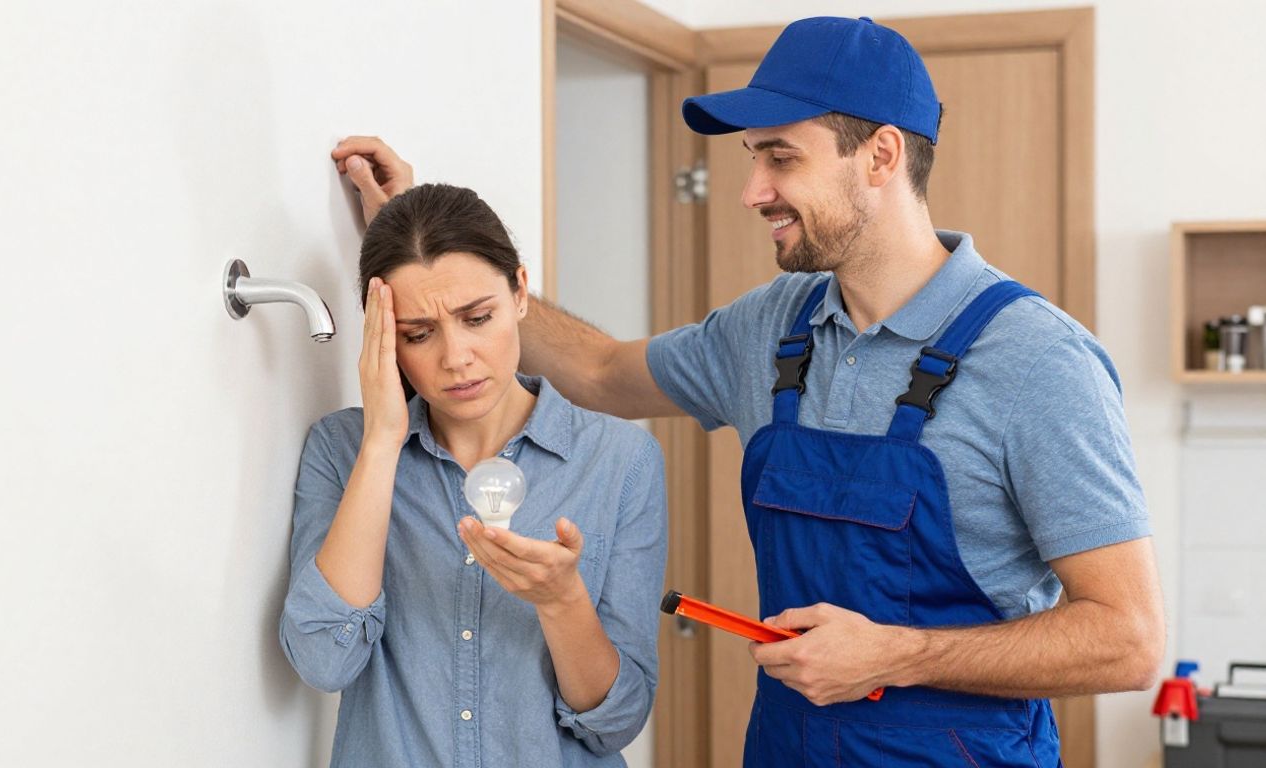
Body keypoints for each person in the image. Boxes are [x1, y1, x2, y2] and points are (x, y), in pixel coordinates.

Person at [332, 18, 1165, 765]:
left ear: (881, 155)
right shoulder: (773, 328)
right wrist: (428, 241)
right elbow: (598, 372)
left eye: (781, 157)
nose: (752, 191)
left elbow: (1129, 640)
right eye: (752, 158)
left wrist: (898, 654)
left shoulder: (1038, 361)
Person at [279, 183, 667, 767]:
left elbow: (617, 723)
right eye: (418, 334)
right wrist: (383, 442)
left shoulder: (620, 460)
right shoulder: (343, 450)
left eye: (477, 318)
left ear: (519, 294)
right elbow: (322, 662)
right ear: (384, 338)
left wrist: (563, 602)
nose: (455, 357)